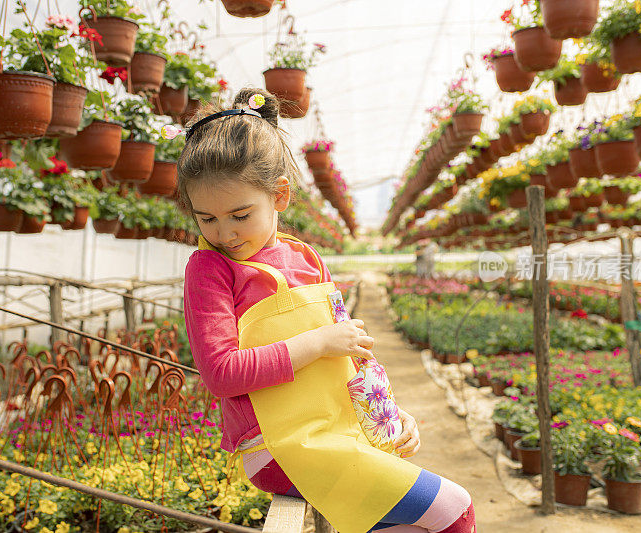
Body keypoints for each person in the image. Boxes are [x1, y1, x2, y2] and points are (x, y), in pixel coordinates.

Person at [179, 87, 475, 533]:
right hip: (280, 445)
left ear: (279, 195)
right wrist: (317, 342)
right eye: (207, 218)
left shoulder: (306, 258)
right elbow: (221, 373)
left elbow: (352, 352)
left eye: (240, 215)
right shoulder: (209, 269)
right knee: (455, 510)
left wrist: (392, 414)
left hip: (337, 427)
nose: (224, 233)